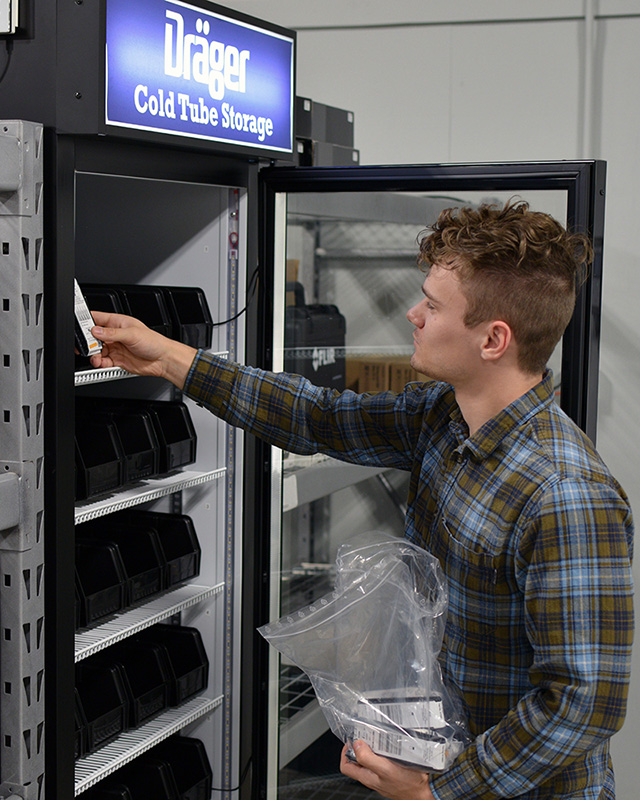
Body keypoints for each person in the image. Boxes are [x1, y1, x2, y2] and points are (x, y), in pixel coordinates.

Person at [88, 200, 634, 800]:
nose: (413, 314)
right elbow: (317, 416)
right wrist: (170, 358)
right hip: (435, 757)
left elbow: (583, 702)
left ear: (493, 339)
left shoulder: (565, 495)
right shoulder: (444, 418)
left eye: (433, 304)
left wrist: (440, 792)